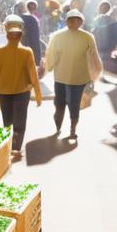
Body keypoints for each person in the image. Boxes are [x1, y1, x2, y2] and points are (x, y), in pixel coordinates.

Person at [0, 15, 42, 155]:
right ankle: (12, 146)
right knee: (8, 122)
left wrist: (38, 94)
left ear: (20, 34)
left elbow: (33, 74)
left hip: (20, 91)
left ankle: (15, 148)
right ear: (7, 33)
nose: (14, 36)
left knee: (17, 121)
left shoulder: (26, 52)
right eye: (12, 33)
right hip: (7, 92)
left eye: (17, 34)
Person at [44, 9, 102, 139]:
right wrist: (49, 67)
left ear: (81, 22)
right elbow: (51, 54)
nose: (74, 22)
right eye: (70, 20)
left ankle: (73, 129)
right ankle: (58, 126)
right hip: (60, 77)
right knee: (59, 104)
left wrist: (95, 73)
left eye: (77, 20)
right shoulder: (57, 36)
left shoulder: (88, 37)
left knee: (74, 104)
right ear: (66, 21)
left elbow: (94, 56)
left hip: (79, 78)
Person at [20, 0, 43, 67]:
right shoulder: (31, 18)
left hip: (25, 42)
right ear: (27, 8)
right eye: (30, 7)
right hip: (31, 42)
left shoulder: (23, 17)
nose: (32, 9)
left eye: (34, 8)